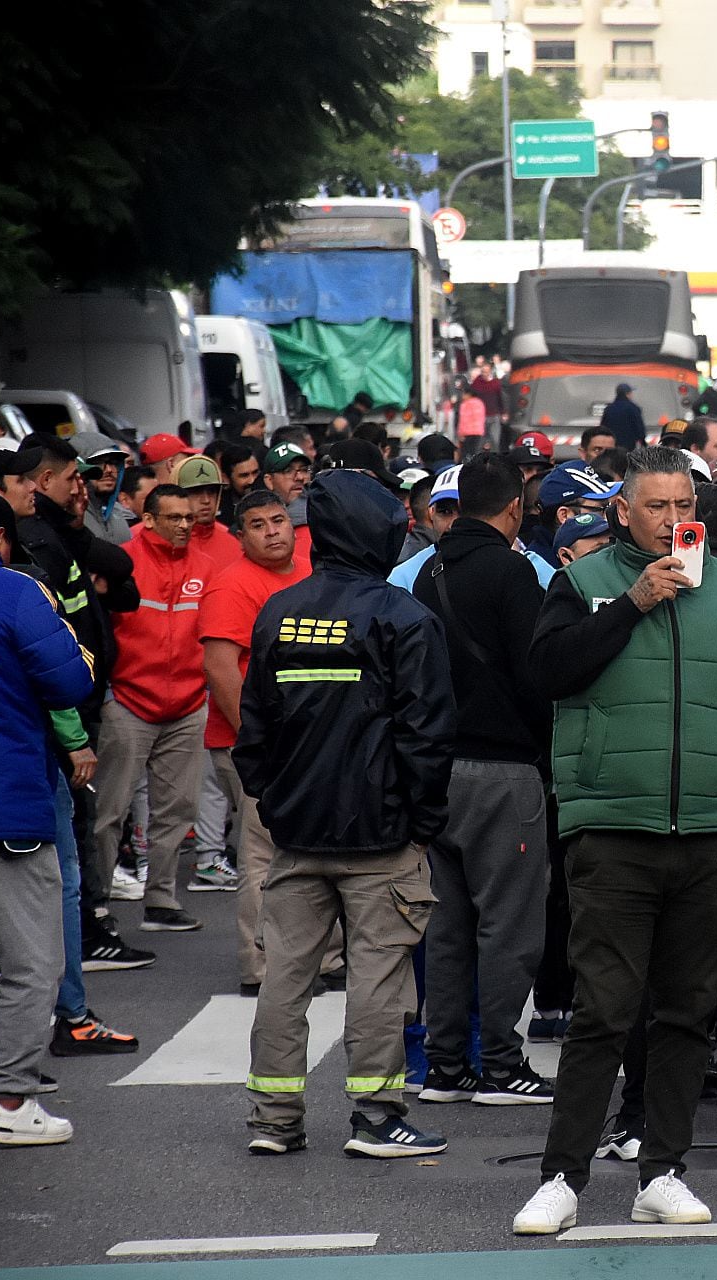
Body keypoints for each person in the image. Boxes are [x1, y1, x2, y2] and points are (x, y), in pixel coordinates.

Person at [512, 447, 717, 1234]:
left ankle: (664, 1171)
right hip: (613, 830)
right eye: (658, 507)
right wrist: (631, 603)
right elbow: (547, 674)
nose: (675, 521)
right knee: (604, 1010)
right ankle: (561, 1179)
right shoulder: (582, 583)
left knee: (686, 1011)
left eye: (685, 505)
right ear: (623, 513)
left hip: (716, 837)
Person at [236, 470, 457, 1160]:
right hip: (382, 836)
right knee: (378, 979)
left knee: (285, 978)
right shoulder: (403, 616)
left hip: (296, 834)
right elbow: (426, 736)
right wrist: (421, 823)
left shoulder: (278, 612)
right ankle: (377, 1116)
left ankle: (274, 1120)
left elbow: (254, 732)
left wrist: (277, 804)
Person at [409, 452, 556, 1108]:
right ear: (515, 507)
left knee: (448, 926)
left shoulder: (428, 573)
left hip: (439, 768)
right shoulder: (514, 572)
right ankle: (501, 1059)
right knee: (509, 924)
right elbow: (536, 676)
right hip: (504, 770)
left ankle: (445, 1063)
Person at [0, 489, 95, 1146]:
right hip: (3, 807)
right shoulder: (14, 594)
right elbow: (72, 683)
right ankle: (11, 1100)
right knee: (31, 960)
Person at [198, 491, 312, 993]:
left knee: (312, 851)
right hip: (254, 746)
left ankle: (322, 960)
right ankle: (259, 966)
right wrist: (259, 742)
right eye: (258, 524)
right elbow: (221, 669)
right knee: (263, 858)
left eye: (279, 520)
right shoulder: (233, 586)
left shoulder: (310, 571)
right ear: (240, 536)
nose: (272, 531)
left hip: (306, 741)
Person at [90, 485, 216, 934]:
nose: (185, 524)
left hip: (186, 706)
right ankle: (96, 906)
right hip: (127, 702)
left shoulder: (206, 567)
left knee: (177, 811)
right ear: (147, 519)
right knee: (109, 813)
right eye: (174, 517)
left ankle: (161, 901)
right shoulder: (121, 562)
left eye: (188, 517)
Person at [262, 442, 316, 560]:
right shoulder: (256, 524)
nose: (300, 477)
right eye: (288, 471)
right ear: (269, 481)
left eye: (303, 470)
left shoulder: (324, 513)